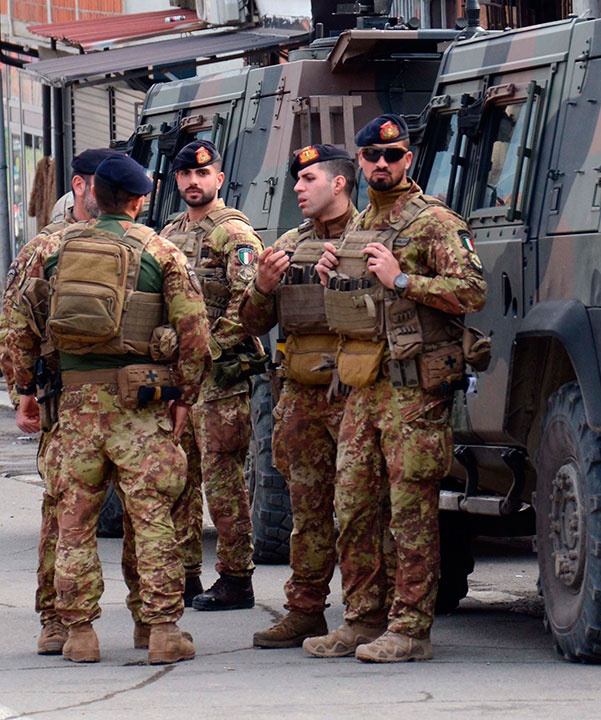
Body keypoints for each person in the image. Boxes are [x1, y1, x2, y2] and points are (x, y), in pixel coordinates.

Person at [5, 154, 211, 664]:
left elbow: (15, 329)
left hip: (73, 409)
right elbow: (196, 337)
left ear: (93, 195)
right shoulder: (162, 252)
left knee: (72, 521)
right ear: (140, 201)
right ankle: (160, 630)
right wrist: (184, 396)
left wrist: (24, 392)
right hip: (141, 408)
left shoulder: (48, 249)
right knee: (152, 518)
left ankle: (77, 635)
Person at [302, 114, 486, 662]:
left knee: (410, 511)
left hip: (415, 391)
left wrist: (402, 279)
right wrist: (336, 279)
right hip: (365, 384)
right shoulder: (359, 223)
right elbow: (358, 309)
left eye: (394, 155)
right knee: (354, 506)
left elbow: (472, 292)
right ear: (358, 163)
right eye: (372, 157)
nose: (383, 164)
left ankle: (410, 629)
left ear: (409, 160)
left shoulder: (434, 222)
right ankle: (361, 619)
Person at [239, 144, 357, 647]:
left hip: (356, 392)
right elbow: (249, 323)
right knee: (307, 510)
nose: (298, 188)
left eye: (309, 179)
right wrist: (263, 288)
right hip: (301, 398)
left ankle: (366, 612)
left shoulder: (370, 238)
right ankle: (305, 610)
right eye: (297, 179)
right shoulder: (287, 245)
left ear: (339, 183)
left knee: (361, 511)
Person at [0, 148, 113, 655]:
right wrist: (23, 392)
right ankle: (56, 619)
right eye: (97, 182)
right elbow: (13, 327)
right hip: (64, 399)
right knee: (63, 513)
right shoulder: (43, 247)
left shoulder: (137, 238)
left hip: (130, 398)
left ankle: (149, 622)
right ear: (80, 185)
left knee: (143, 513)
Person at [159, 140, 265, 609]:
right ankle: (185, 574)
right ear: (176, 180)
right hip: (180, 380)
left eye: (203, 174)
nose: (193, 182)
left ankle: (236, 578)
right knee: (178, 478)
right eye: (185, 174)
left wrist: (208, 350)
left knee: (223, 481)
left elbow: (252, 304)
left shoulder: (234, 233)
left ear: (219, 179)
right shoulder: (168, 233)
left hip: (220, 379)